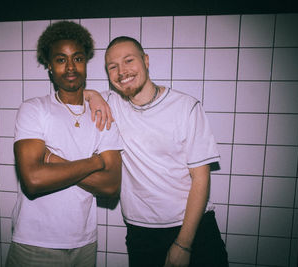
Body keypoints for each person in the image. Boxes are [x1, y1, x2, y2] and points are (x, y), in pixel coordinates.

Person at [85, 36, 228, 267]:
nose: (122, 71)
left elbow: (201, 178)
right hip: (141, 235)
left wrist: (184, 244)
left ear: (146, 61)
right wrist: (91, 94)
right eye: (113, 66)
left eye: (129, 60)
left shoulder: (186, 107)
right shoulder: (111, 103)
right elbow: (69, 96)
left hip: (193, 228)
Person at [5, 21, 122, 267]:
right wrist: (95, 161)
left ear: (86, 63)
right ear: (49, 66)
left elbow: (111, 185)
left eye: (77, 58)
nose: (70, 67)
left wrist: (53, 161)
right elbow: (34, 180)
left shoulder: (102, 115)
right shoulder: (34, 109)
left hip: (84, 245)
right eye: (60, 59)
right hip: (34, 244)